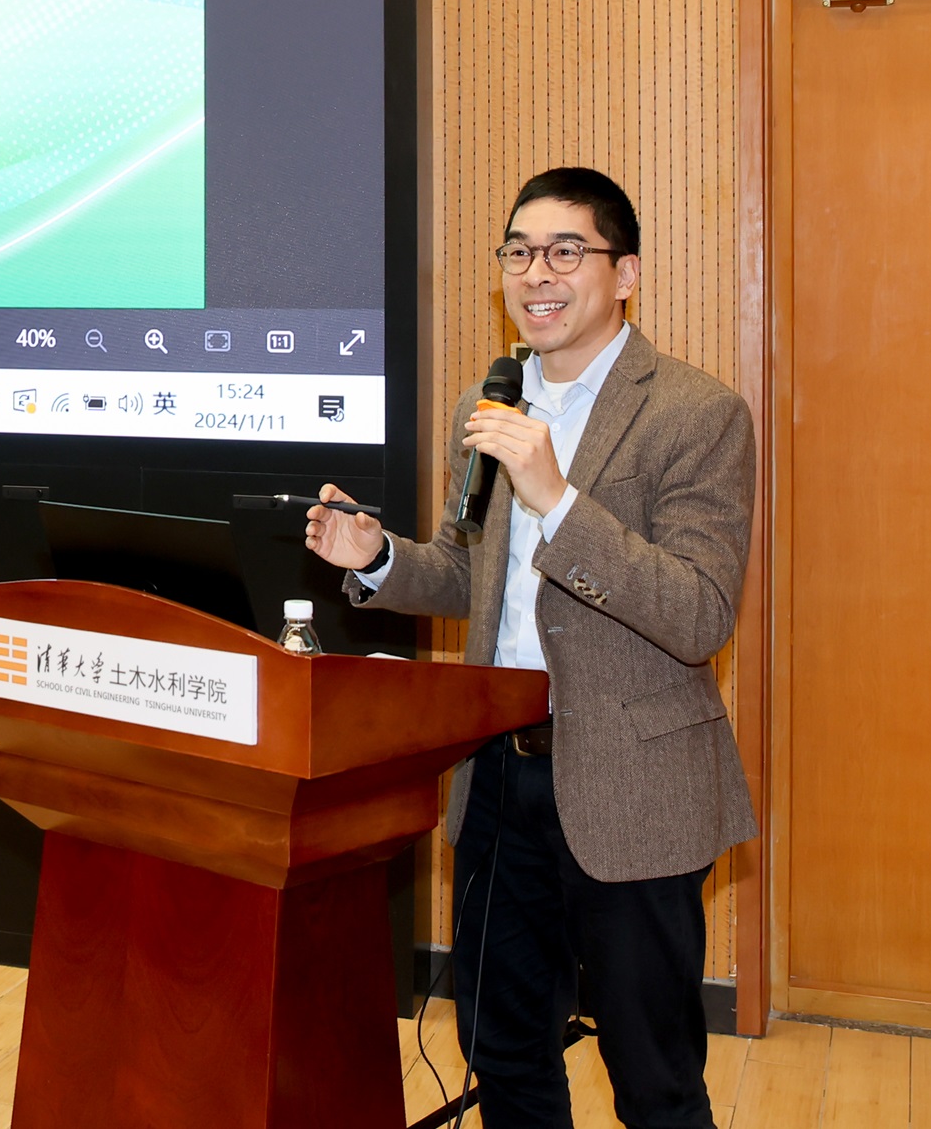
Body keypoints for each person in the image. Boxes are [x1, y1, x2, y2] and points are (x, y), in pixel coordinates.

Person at [306, 167, 754, 1129]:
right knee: (503, 1051)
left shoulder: (694, 413)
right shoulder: (491, 399)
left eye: (564, 251)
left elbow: (698, 613)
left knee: (654, 1076)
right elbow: (476, 579)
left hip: (628, 782)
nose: (534, 274)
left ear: (623, 272)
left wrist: (558, 500)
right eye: (517, 251)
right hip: (499, 780)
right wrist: (380, 558)